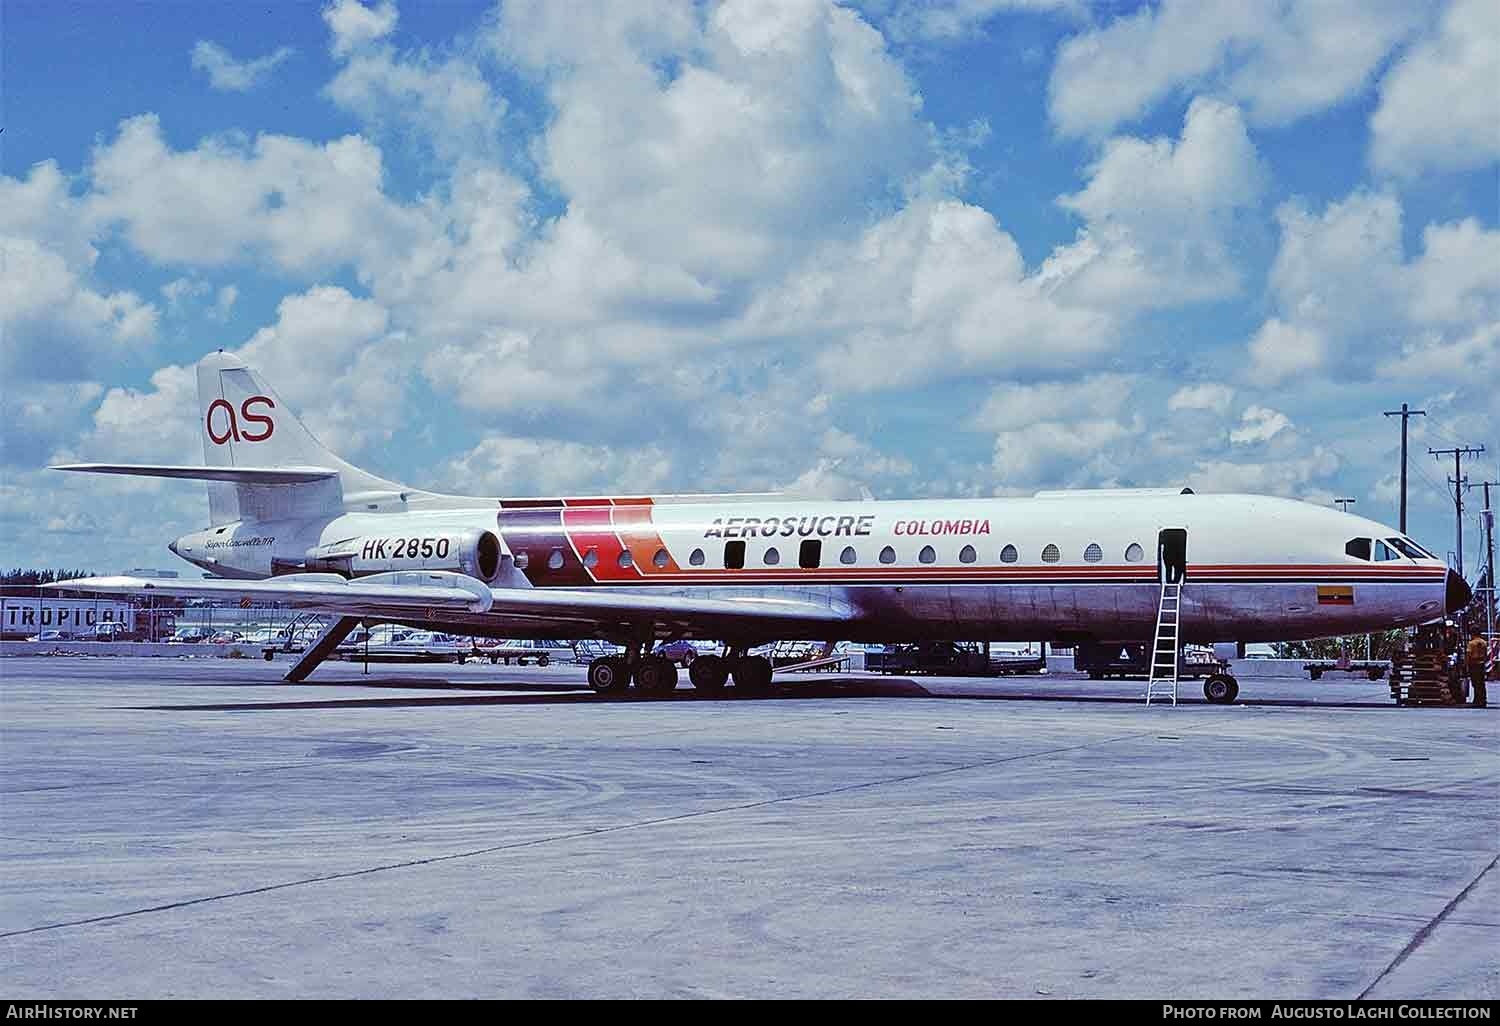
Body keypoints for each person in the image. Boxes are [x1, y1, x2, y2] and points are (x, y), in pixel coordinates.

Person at [1467, 634, 1489, 708]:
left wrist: (1467, 664)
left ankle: (1477, 700)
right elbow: (1486, 654)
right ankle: (1483, 700)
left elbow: (1469, 655)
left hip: (1474, 664)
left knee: (1475, 683)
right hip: (1481, 664)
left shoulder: (1471, 643)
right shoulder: (1484, 642)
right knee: (1481, 683)